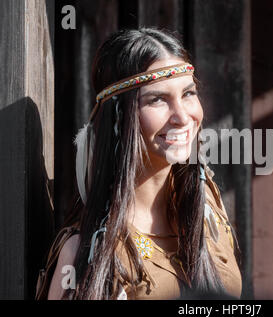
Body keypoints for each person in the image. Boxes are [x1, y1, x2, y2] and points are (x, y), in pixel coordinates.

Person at [45, 27, 242, 300]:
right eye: (158, 99)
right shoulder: (86, 253)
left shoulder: (206, 207)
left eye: (188, 94)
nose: (182, 117)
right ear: (120, 116)